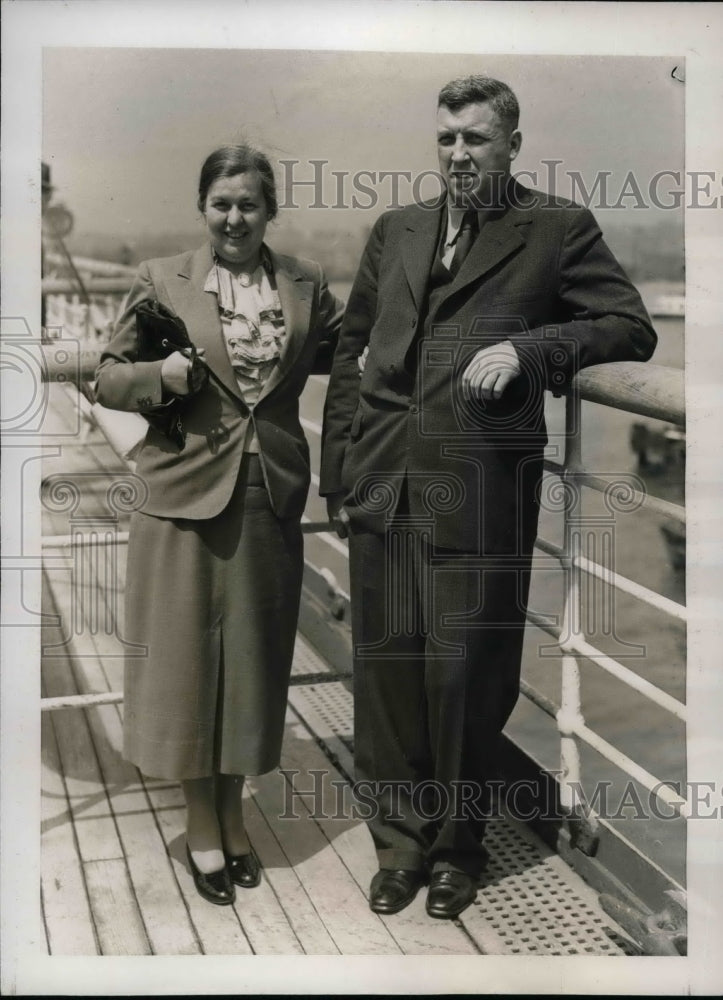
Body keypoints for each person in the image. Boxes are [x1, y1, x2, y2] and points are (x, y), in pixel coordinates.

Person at [320, 76, 657, 919]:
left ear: (510, 143)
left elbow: (627, 326)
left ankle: (456, 848)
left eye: (474, 139)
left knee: (466, 678)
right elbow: (348, 356)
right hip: (382, 490)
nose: (458, 155)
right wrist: (340, 475)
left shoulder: (554, 229)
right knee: (388, 677)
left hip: (477, 496)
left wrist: (530, 347)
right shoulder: (394, 230)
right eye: (445, 139)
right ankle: (398, 846)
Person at [96, 144, 343, 906]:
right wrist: (157, 379)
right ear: (202, 207)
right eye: (221, 204)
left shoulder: (305, 286)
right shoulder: (163, 279)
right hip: (180, 497)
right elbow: (106, 374)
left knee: (250, 663)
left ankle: (234, 814)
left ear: (270, 210)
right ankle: (201, 822)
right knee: (184, 667)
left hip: (268, 493)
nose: (234, 218)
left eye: (249, 204)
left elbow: (362, 359)